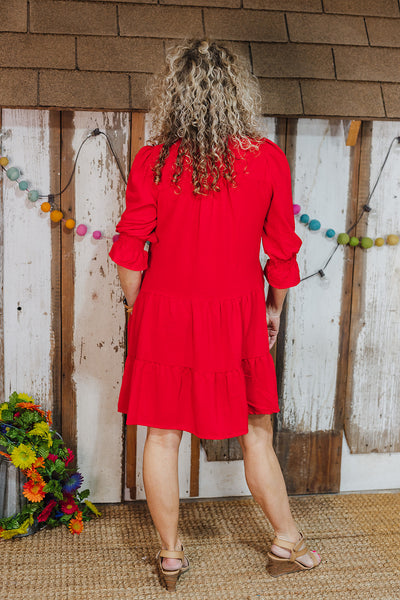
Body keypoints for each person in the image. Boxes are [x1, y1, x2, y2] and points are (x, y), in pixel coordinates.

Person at [109, 38, 321, 591]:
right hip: (239, 313)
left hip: (166, 313)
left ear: (174, 94)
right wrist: (272, 310)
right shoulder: (267, 159)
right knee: (257, 432)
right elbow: (281, 251)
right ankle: (287, 539)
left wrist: (143, 311)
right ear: (236, 93)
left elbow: (130, 251)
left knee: (162, 436)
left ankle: (172, 554)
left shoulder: (154, 160)